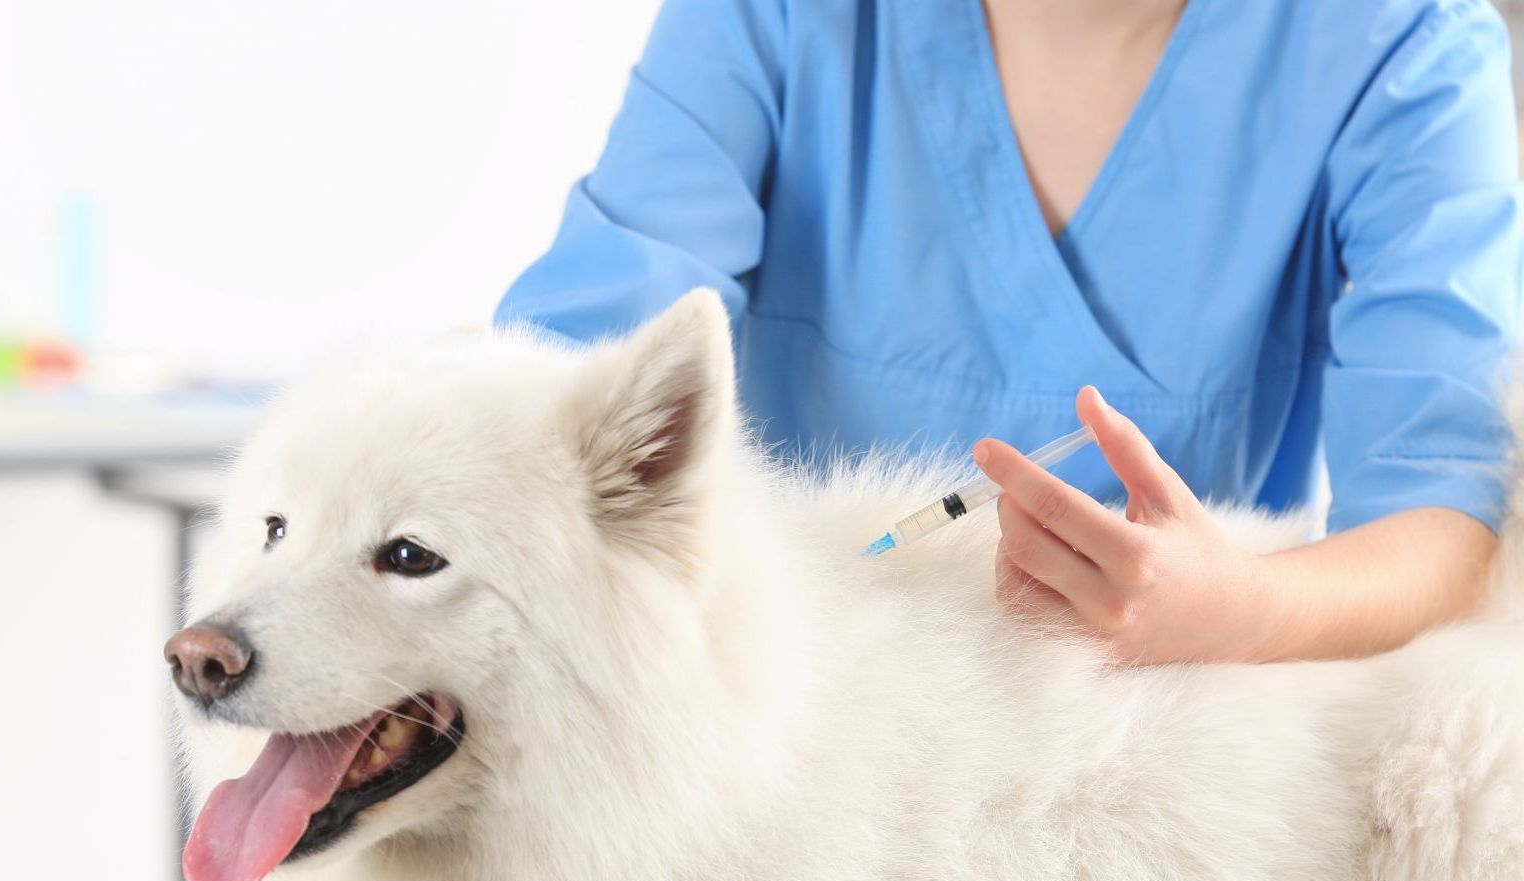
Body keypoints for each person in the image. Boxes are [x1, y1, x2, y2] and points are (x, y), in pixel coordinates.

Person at [497, 0, 1524, 664]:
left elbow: (1439, 525)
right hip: (794, 714)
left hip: (1158, 767)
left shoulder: (1399, 49)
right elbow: (554, 389)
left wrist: (1238, 606)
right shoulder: (770, 19)